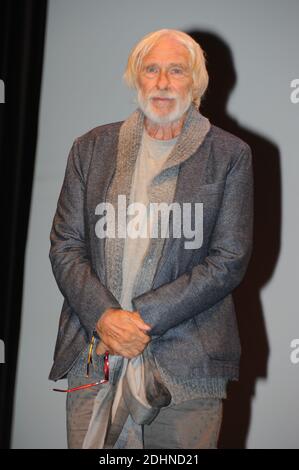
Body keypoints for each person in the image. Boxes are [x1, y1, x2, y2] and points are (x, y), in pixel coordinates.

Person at [48, 28, 254, 449]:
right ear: (135, 78)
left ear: (195, 82)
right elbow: (65, 245)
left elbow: (228, 259)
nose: (162, 83)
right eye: (151, 70)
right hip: (97, 354)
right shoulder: (90, 148)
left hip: (187, 366)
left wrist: (140, 320)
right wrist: (106, 317)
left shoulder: (229, 154)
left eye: (176, 71)